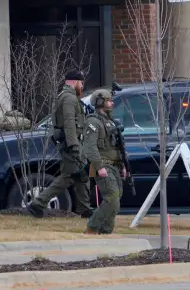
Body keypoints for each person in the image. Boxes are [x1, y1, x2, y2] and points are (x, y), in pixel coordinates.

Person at [26, 70, 91, 218]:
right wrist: (74, 145)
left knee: (81, 175)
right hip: (71, 144)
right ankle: (38, 203)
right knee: (68, 176)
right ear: (74, 82)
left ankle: (85, 209)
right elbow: (69, 123)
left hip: (70, 142)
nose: (82, 86)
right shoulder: (69, 98)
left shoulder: (66, 96)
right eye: (81, 83)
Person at [83, 88, 125, 235]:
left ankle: (106, 230)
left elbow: (117, 146)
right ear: (100, 101)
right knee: (112, 197)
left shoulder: (110, 121)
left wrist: (122, 165)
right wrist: (99, 166)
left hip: (114, 166)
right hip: (102, 165)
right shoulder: (93, 122)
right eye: (108, 100)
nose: (111, 103)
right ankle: (92, 228)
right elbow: (89, 147)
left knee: (116, 200)